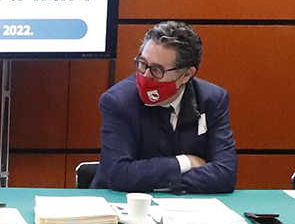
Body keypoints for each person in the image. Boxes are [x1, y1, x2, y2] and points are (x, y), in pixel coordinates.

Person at [95, 20, 236, 194]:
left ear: (186, 74)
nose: (145, 76)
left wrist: (161, 181)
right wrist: (185, 162)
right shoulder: (118, 101)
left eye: (157, 70)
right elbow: (119, 174)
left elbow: (226, 174)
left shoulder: (212, 100)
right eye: (142, 63)